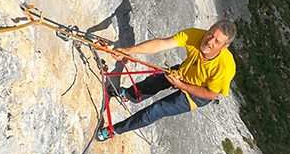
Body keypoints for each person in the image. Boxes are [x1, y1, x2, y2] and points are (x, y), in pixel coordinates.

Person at [96, 19, 236, 140]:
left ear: (224, 47)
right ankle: (129, 94)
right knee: (155, 81)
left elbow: (210, 94)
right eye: (210, 34)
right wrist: (129, 51)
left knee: (155, 110)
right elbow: (162, 44)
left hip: (197, 94)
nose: (209, 41)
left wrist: (182, 86)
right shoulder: (194, 35)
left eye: (217, 41)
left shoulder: (225, 67)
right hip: (185, 72)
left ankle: (114, 130)